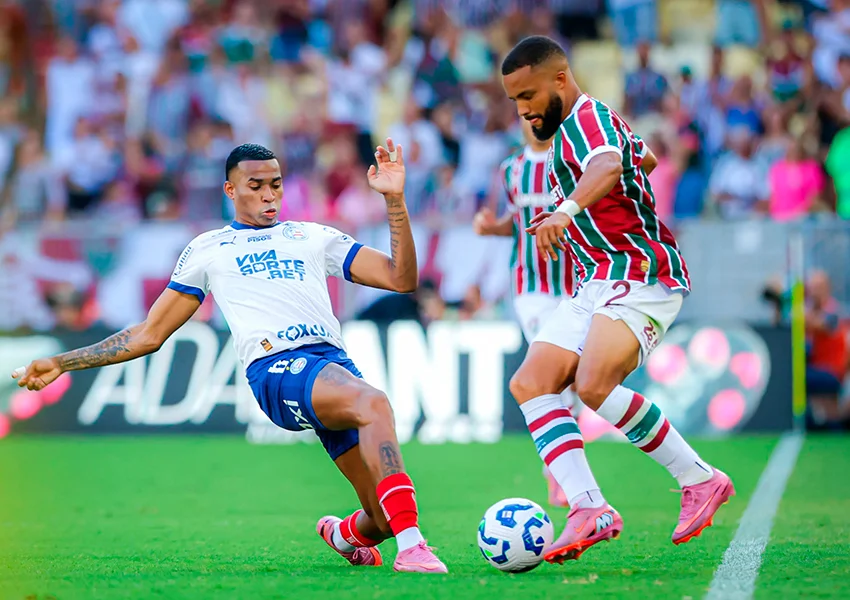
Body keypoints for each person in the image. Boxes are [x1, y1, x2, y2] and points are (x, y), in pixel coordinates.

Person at [12, 141, 448, 575]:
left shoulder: (312, 236)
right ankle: (413, 548)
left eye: (275, 184)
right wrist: (64, 362)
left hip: (331, 368)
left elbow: (401, 277)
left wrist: (394, 199)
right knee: (373, 403)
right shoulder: (210, 249)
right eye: (255, 185)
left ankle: (346, 533)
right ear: (230, 190)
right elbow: (149, 334)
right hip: (276, 369)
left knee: (385, 513)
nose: (268, 195)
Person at [499, 36, 734, 564]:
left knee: (594, 384)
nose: (524, 109)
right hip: (596, 278)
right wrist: (613, 197)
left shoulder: (585, 119)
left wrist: (567, 210)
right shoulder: (582, 126)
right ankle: (587, 508)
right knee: (531, 382)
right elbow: (641, 158)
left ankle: (700, 478)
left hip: (640, 271)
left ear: (560, 79)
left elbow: (607, 166)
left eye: (529, 95)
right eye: (514, 100)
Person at [472, 118, 574, 508]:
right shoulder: (510, 169)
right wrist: (489, 228)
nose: (530, 120)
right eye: (522, 114)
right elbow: (515, 225)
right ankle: (559, 473)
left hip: (576, 284)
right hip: (532, 288)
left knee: (575, 380)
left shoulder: (569, 162)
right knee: (554, 370)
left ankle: (560, 468)